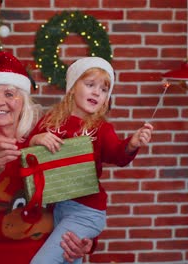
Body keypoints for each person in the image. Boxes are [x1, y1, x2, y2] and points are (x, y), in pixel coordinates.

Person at [0, 51, 95, 264]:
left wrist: (83, 240)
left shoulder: (43, 140)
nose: (0, 102)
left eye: (10, 94)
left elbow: (76, 201)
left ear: (23, 101)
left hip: (45, 257)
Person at [29, 57, 154, 264]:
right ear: (72, 87)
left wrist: (132, 143)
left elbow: (117, 154)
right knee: (68, 259)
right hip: (55, 207)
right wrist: (36, 138)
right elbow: (26, 152)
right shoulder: (50, 120)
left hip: (85, 211)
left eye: (104, 89)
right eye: (90, 85)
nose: (97, 92)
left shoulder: (102, 129)